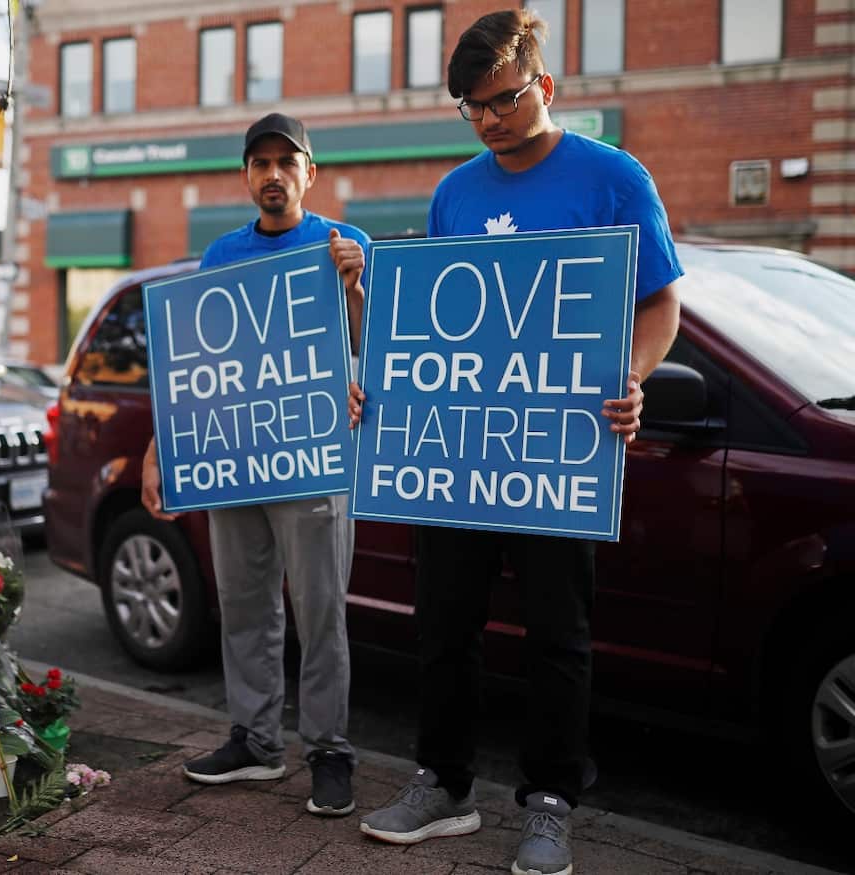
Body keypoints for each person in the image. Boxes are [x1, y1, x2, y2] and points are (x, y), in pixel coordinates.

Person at [347, 11, 682, 875]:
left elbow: (659, 305)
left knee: (557, 634)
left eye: (501, 99)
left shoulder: (614, 178)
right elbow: (434, 327)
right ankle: (443, 784)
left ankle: (551, 800)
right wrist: (383, 377)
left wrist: (633, 377)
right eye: (471, 107)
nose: (489, 119)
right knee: (443, 625)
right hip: (456, 455)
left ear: (546, 86)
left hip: (556, 451)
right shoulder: (455, 191)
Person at [140, 112, 370, 817]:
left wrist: (356, 289)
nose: (273, 173)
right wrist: (160, 448)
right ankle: (256, 739)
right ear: (247, 176)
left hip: (314, 458)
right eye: (260, 162)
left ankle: (328, 748)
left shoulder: (345, 245)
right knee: (244, 601)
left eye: (286, 161)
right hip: (235, 457)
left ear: (310, 172)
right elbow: (193, 368)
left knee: (321, 606)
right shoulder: (220, 257)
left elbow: (377, 349)